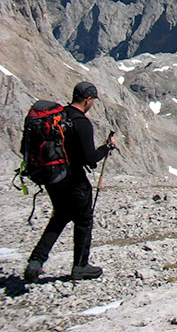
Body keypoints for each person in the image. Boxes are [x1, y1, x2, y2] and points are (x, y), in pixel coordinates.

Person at [24, 81, 118, 282]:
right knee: (84, 220)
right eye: (93, 100)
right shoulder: (81, 122)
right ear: (88, 99)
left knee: (60, 217)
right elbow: (89, 158)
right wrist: (107, 147)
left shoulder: (60, 115)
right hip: (73, 180)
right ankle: (80, 266)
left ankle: (35, 262)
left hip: (52, 178)